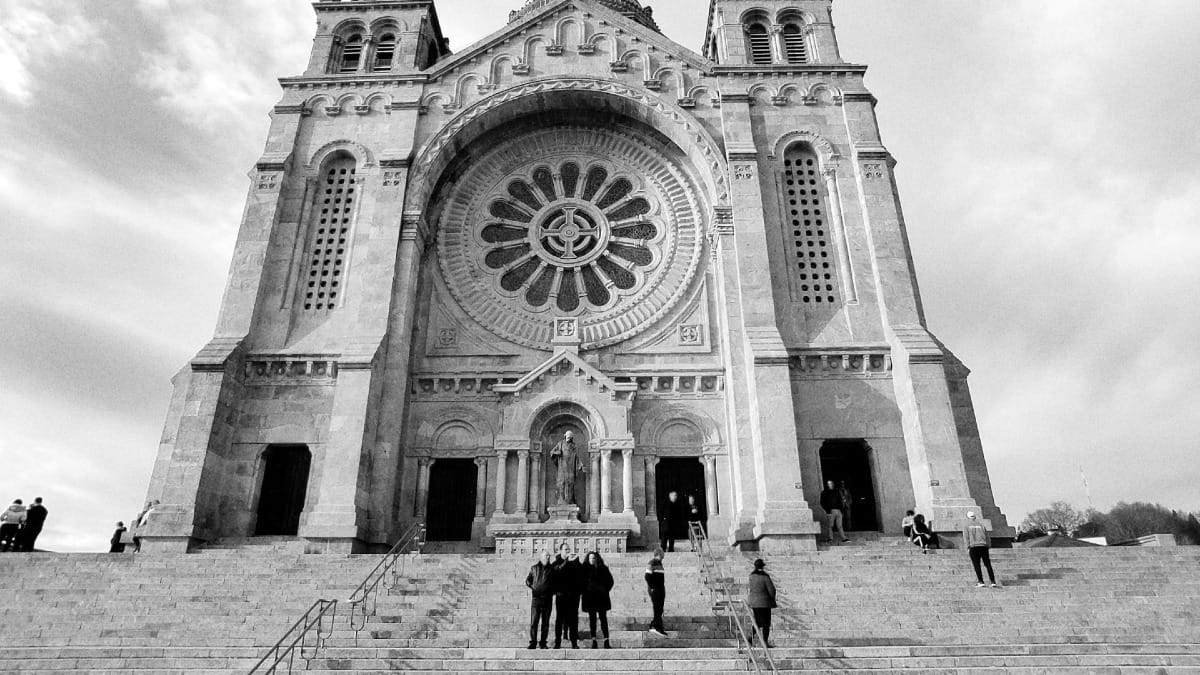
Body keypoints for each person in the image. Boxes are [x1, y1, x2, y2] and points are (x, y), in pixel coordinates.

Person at [551, 543, 583, 648]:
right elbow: (557, 572)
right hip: (561, 595)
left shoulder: (573, 562)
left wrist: (577, 561)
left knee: (573, 619)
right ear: (560, 551)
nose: (567, 551)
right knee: (559, 619)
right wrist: (566, 561)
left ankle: (574, 642)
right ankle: (557, 642)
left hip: (573, 596)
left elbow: (581, 575)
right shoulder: (556, 563)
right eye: (565, 549)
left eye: (568, 549)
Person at [581, 551, 614, 648]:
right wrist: (586, 591)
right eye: (590, 558)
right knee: (592, 620)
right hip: (590, 598)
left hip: (601, 598)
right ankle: (593, 640)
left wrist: (604, 590)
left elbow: (610, 581)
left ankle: (606, 640)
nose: (592, 559)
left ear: (596, 559)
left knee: (603, 619)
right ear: (588, 559)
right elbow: (581, 582)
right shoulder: (584, 569)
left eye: (594, 558)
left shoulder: (603, 569)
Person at [963, 511, 1000, 588]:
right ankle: (993, 581)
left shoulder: (967, 526)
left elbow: (966, 537)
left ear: (967, 518)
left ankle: (981, 581)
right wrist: (988, 545)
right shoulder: (981, 525)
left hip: (974, 547)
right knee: (988, 564)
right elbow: (987, 536)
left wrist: (967, 547)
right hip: (983, 546)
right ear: (975, 517)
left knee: (977, 565)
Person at [747, 558, 777, 648]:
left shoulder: (751, 576)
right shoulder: (764, 576)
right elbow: (772, 590)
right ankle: (764, 642)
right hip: (764, 602)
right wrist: (772, 599)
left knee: (757, 622)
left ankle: (750, 637)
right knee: (766, 624)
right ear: (763, 566)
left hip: (754, 603)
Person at [644, 551, 667, 637]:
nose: (664, 555)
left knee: (660, 608)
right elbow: (647, 576)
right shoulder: (652, 562)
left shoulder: (659, 564)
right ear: (659, 554)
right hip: (655, 589)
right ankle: (654, 626)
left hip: (660, 589)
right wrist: (652, 586)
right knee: (657, 608)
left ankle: (658, 627)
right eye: (662, 554)